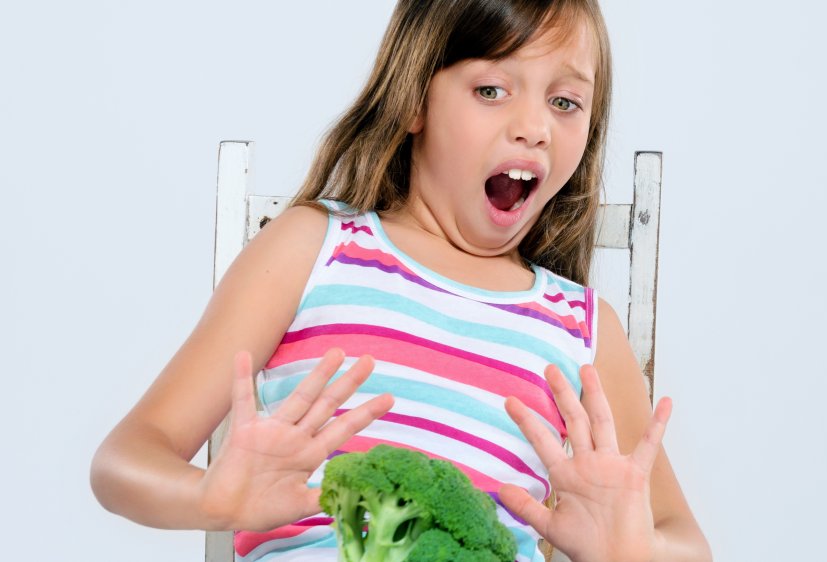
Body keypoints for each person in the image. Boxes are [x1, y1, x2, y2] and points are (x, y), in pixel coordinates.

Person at [91, 1, 712, 560]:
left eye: (565, 102)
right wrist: (211, 499)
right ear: (415, 100)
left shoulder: (582, 327)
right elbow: (124, 461)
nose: (535, 127)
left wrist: (630, 550)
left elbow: (685, 541)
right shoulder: (314, 247)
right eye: (493, 89)